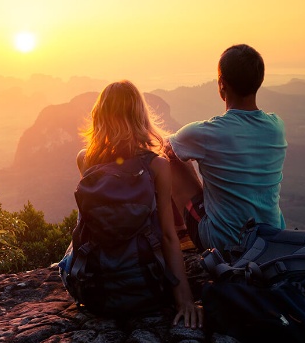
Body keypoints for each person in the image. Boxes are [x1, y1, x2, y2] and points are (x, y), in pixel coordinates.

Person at [76, 80, 202, 328]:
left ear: (99, 115)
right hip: (147, 286)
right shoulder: (157, 165)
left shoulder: (85, 160)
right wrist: (184, 300)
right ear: (140, 116)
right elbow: (167, 235)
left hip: (96, 290)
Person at [166, 44, 287, 254]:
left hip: (224, 243)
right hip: (272, 238)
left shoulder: (205, 133)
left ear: (222, 84)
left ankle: (177, 236)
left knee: (170, 159)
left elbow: (166, 147)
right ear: (258, 82)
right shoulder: (276, 126)